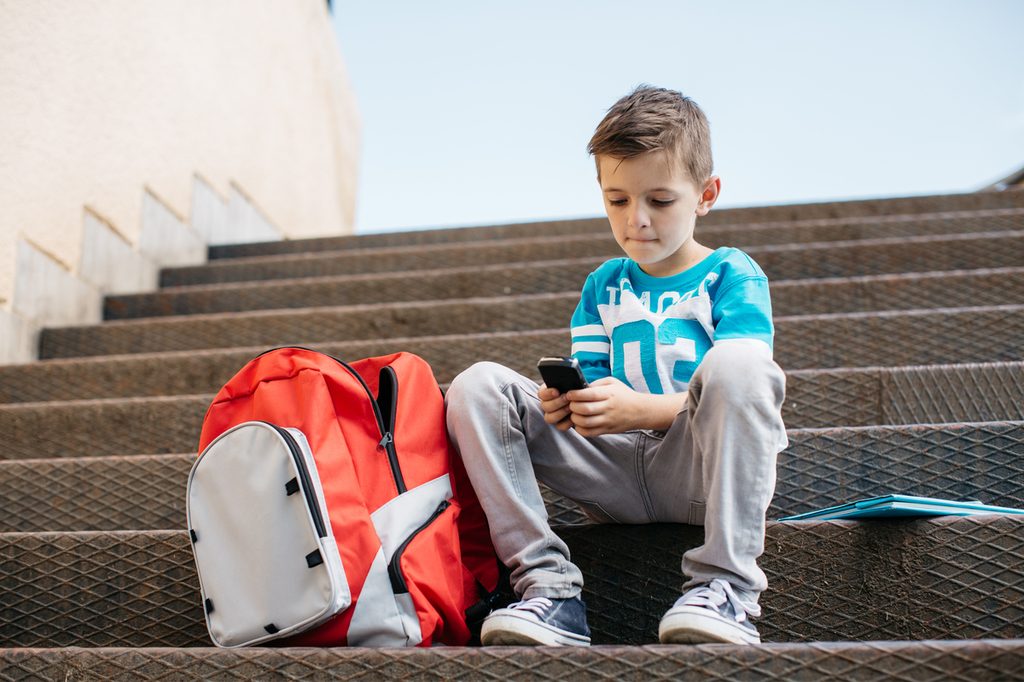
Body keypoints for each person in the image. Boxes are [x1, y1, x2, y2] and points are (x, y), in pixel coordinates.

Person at [445, 84, 788, 646]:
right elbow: (595, 382)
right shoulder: (603, 285)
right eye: (618, 200)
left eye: (660, 199)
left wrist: (643, 409)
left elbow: (747, 390)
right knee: (476, 385)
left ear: (706, 195)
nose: (638, 220)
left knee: (738, 368)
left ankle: (728, 589)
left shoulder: (732, 274)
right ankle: (548, 589)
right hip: (613, 475)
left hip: (696, 468)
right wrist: (570, 406)